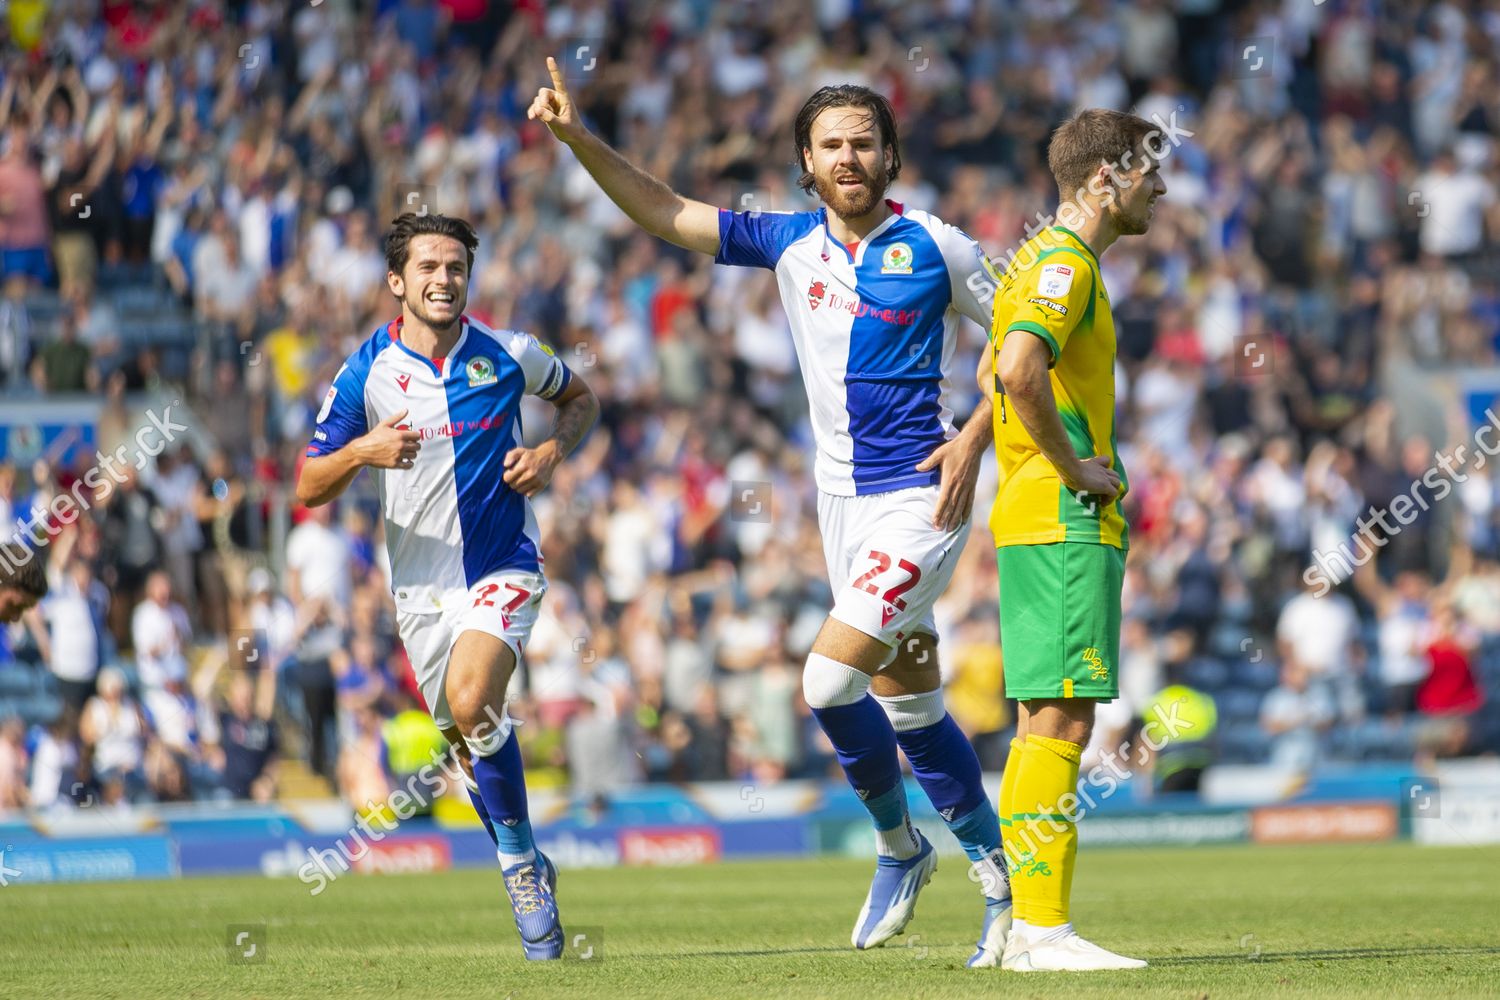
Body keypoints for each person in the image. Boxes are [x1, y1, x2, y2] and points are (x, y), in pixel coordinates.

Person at [531, 60, 1009, 964]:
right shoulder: (789, 244)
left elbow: (1026, 349)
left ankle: (902, 846)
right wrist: (577, 137)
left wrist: (977, 436)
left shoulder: (941, 247)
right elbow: (667, 211)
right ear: (806, 160)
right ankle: (987, 877)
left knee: (827, 684)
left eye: (864, 142)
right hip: (838, 508)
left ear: (890, 154)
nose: (849, 157)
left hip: (920, 496)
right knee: (912, 707)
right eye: (831, 145)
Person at [295, 212, 598, 961]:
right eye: (428, 267)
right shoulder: (365, 371)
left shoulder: (508, 353)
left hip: (502, 567)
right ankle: (519, 845)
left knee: (472, 700)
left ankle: (520, 865)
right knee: (468, 740)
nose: (444, 279)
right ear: (397, 282)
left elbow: (580, 399)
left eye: (456, 266)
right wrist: (363, 449)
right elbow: (307, 483)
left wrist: (553, 452)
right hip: (419, 594)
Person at [985, 108, 1167, 971]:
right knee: (1060, 716)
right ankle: (1043, 931)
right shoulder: (1063, 265)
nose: (1158, 188)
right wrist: (1075, 468)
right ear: (1105, 179)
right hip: (1062, 520)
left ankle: (1024, 928)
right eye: (1147, 171)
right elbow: (1020, 371)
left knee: (1040, 721)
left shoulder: (1034, 262)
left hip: (1029, 519)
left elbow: (1002, 374)